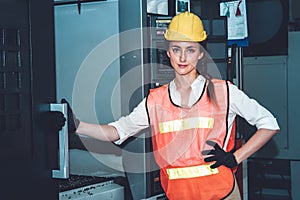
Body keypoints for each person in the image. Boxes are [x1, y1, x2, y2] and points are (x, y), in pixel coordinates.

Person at [63, 12, 279, 200]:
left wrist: (235, 157)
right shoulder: (155, 100)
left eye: (190, 50)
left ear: (201, 52)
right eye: (176, 49)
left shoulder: (224, 92)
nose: (183, 57)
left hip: (221, 194)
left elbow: (269, 124)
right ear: (167, 52)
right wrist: (77, 124)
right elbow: (117, 131)